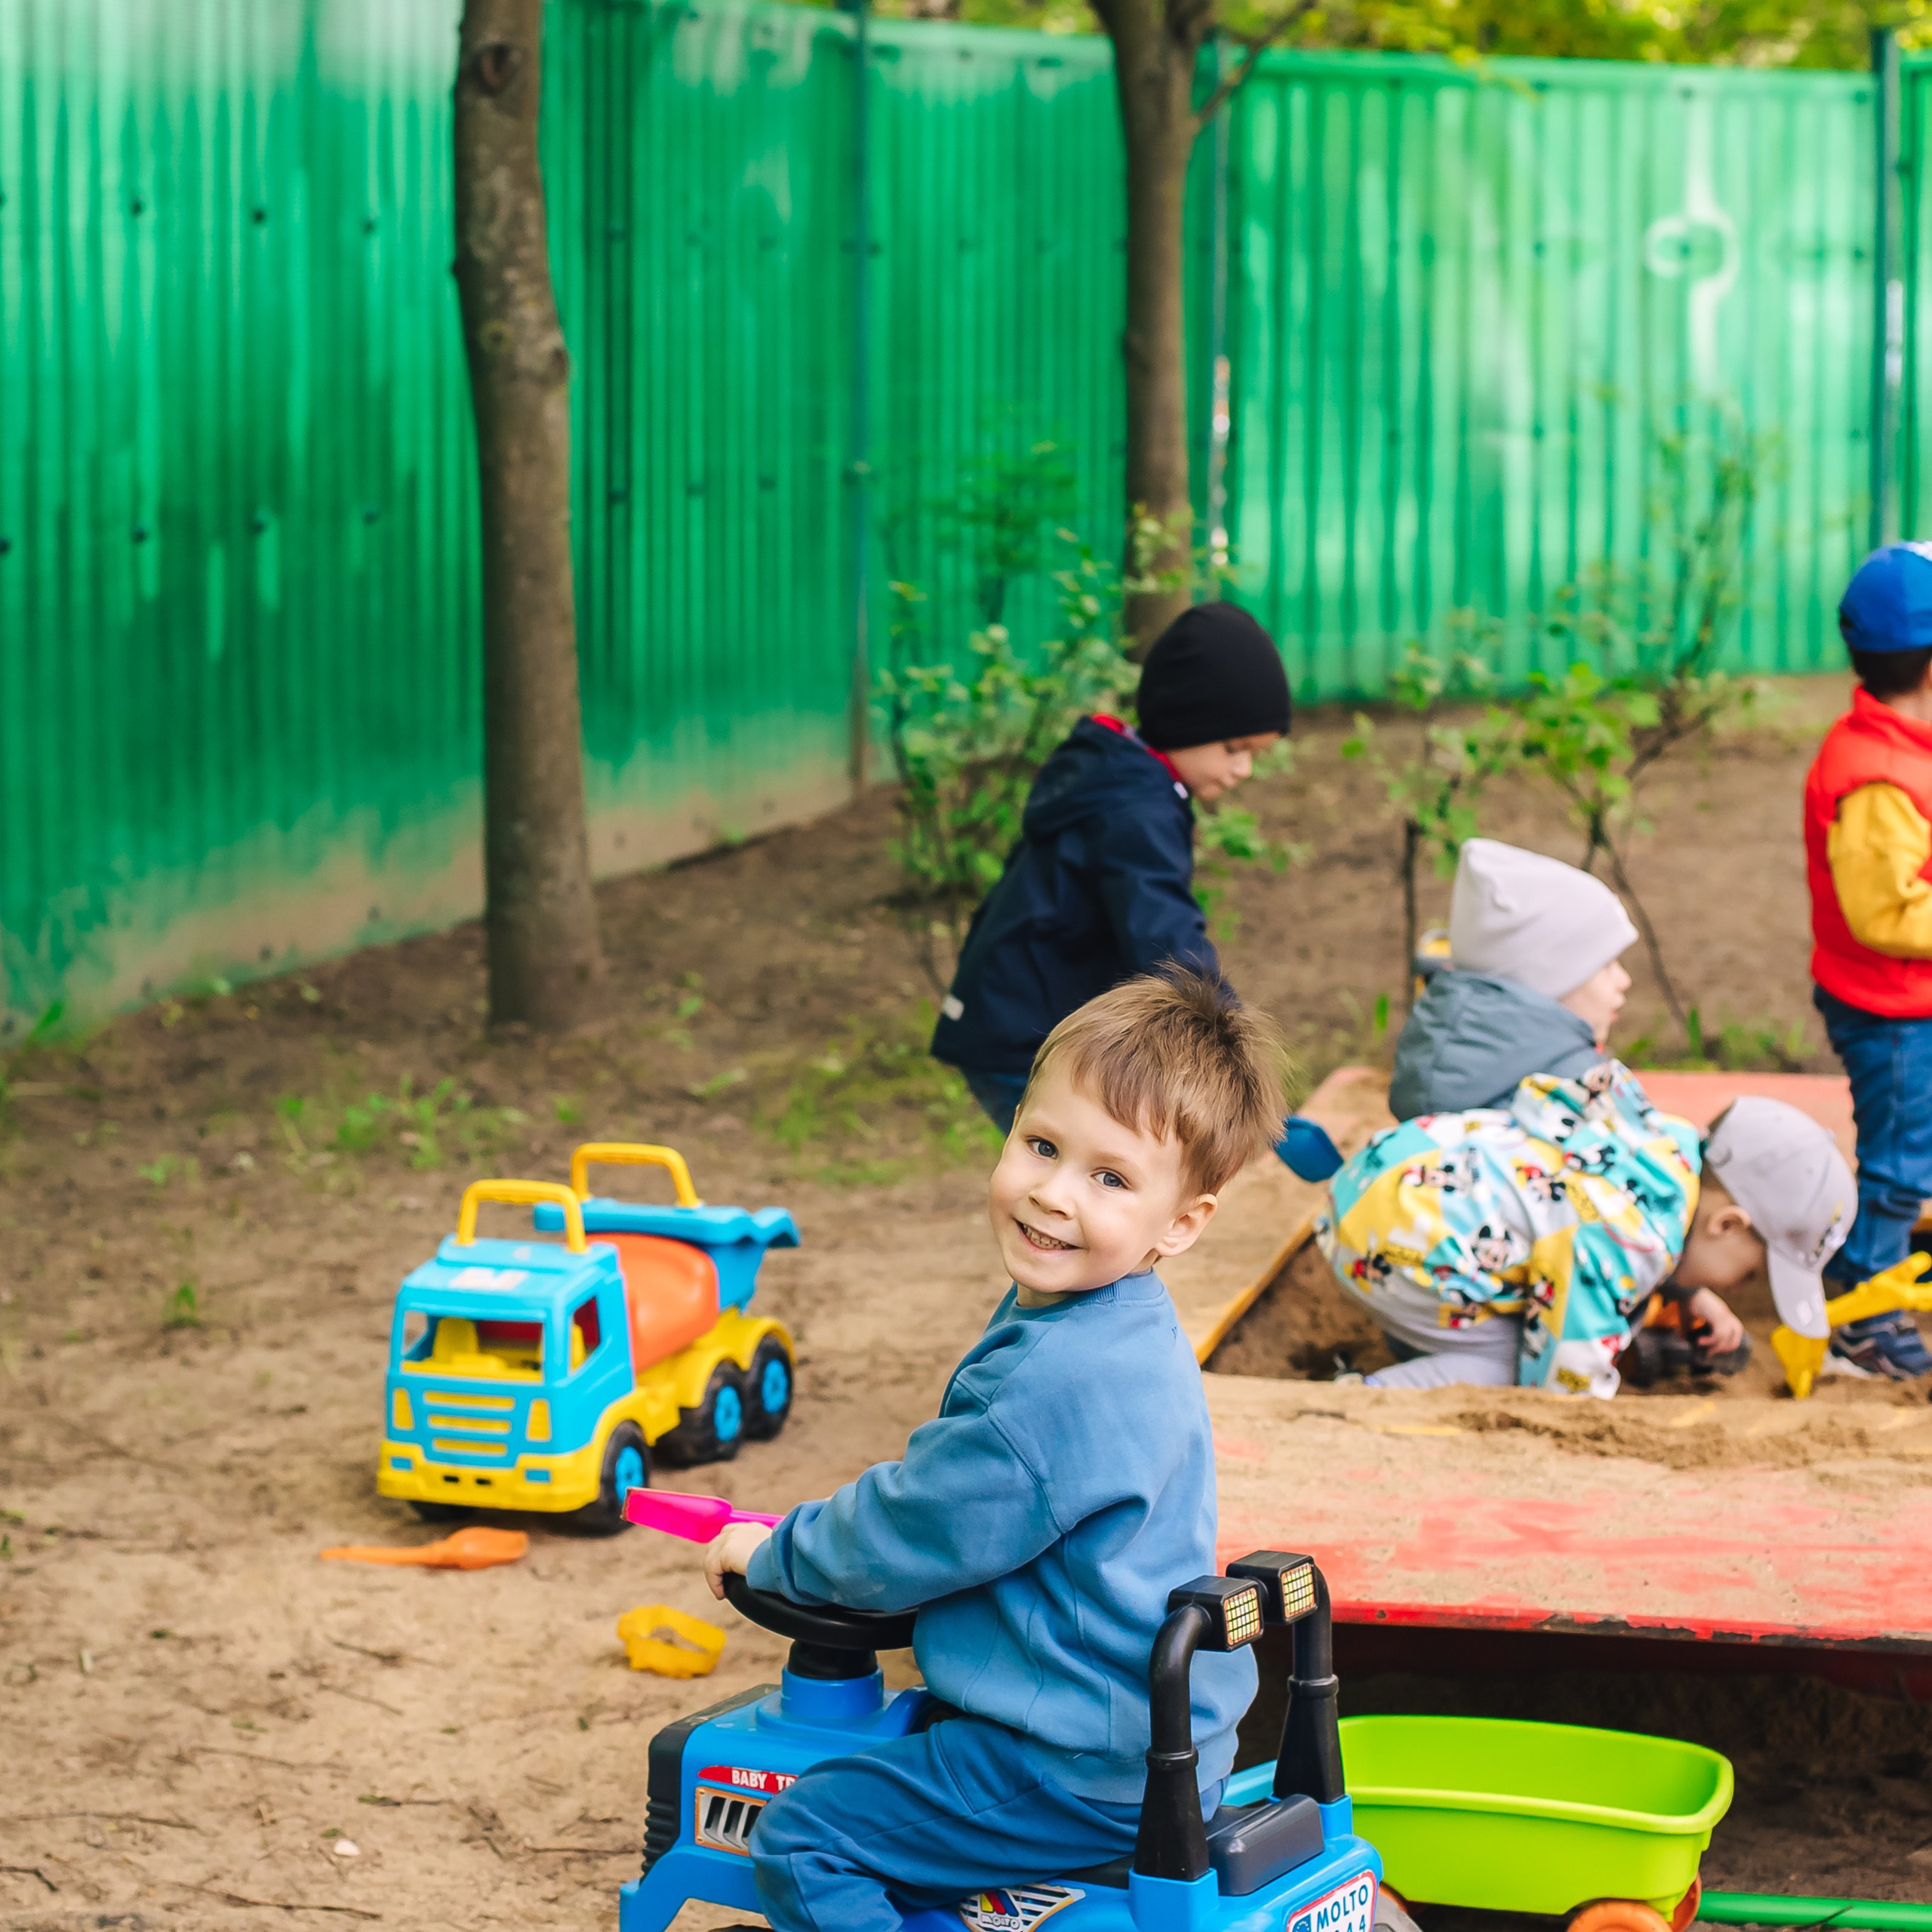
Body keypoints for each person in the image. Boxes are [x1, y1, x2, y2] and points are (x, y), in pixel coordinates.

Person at [702, 971, 1285, 1932]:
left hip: (1070, 1763)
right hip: (1138, 1722)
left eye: (1110, 1177)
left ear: (1181, 1222)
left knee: (808, 1838)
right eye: (1042, 1145)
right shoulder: (1123, 1321)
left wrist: (777, 1551)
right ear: (1009, 1124)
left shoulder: (1055, 1380)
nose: (1054, 1193)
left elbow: (912, 1527)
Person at [931, 602, 1290, 1135]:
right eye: (1234, 748)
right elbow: (1163, 932)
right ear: (1187, 720)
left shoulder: (1118, 778)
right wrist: (1227, 1038)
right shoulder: (1135, 809)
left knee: (1091, 1173)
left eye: (1255, 753)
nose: (1244, 770)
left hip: (1010, 1016)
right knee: (1093, 1172)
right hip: (1023, 1032)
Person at [1318, 1078, 1851, 1397]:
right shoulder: (1628, 1239)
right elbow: (1567, 1381)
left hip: (1380, 1184)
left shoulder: (1664, 1151)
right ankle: (1369, 1397)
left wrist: (1688, 1292)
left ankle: (1419, 1340)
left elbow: (1585, 1233)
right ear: (1727, 1224)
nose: (1744, 1285)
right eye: (1752, 1272)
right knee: (1517, 1366)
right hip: (1382, 1249)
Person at [1803, 541, 1932, 1380]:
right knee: (1896, 1158)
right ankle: (1863, 1312)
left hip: (1910, 998)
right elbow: (1887, 912)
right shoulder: (1874, 776)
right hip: (1891, 1010)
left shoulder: (1902, 745)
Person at [1389, 838, 1638, 1120]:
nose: (1624, 980)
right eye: (1605, 964)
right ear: (1550, 979)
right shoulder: (1580, 1091)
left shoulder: (1431, 1068)